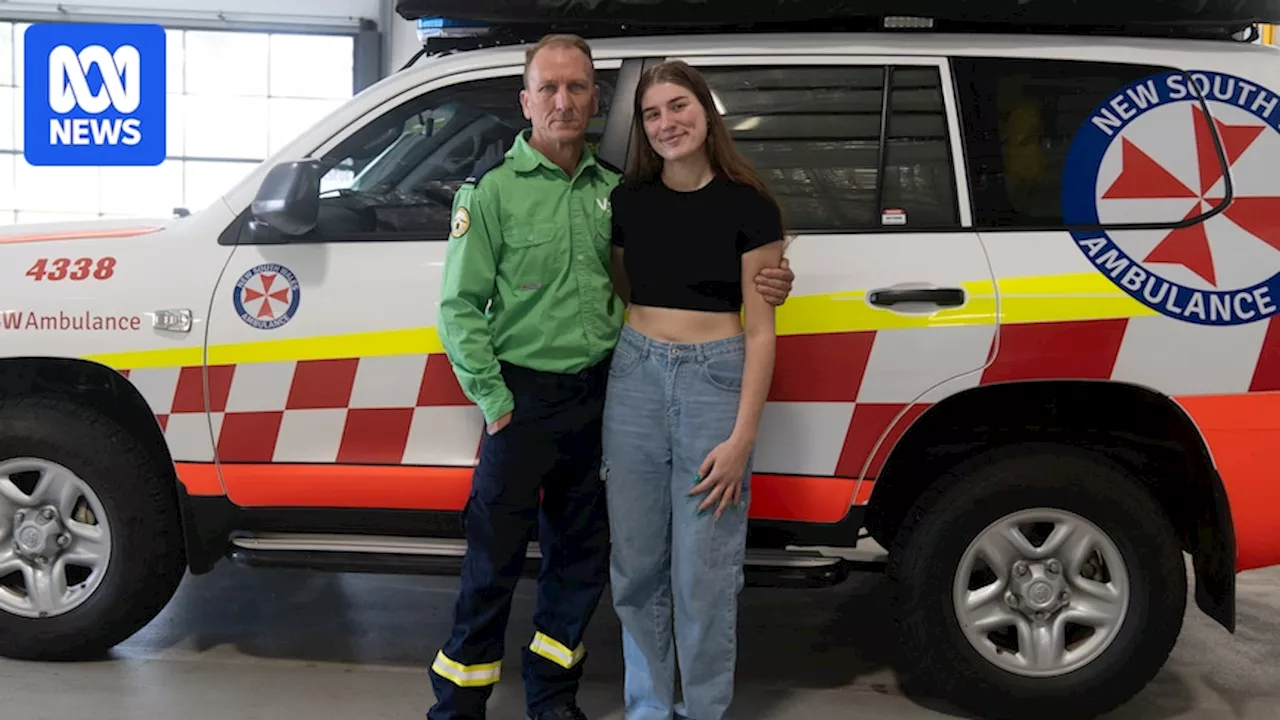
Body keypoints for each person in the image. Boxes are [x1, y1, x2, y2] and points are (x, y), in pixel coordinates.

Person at [430, 35, 796, 720]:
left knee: (582, 563)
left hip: (604, 393)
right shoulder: (494, 194)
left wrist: (769, 274)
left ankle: (552, 701)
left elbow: (654, 280)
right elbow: (458, 307)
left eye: (577, 88)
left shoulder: (613, 192)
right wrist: (496, 400)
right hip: (527, 401)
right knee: (497, 562)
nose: (563, 101)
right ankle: (456, 706)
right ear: (526, 101)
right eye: (548, 88)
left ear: (597, 99)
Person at [600, 59, 786, 720]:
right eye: (652, 114)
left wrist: (741, 439)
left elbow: (761, 332)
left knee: (702, 576)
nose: (666, 123)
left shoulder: (749, 204)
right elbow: (625, 285)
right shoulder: (627, 201)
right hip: (634, 378)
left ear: (706, 113)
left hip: (716, 379)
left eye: (678, 106)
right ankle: (649, 709)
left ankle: (703, 710)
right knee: (637, 567)